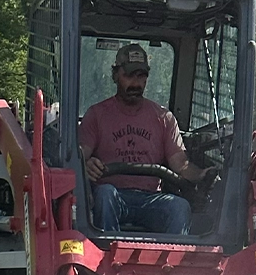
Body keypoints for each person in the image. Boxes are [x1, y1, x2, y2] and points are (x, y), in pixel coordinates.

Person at [80, 43, 206, 234]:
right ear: (115, 75)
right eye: (129, 76)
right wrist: (87, 164)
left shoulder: (163, 118)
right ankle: (107, 254)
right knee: (105, 194)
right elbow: (79, 156)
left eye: (141, 76)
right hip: (114, 196)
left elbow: (181, 164)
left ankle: (173, 262)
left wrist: (203, 176)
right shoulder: (96, 115)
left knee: (179, 207)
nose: (136, 83)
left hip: (150, 200)